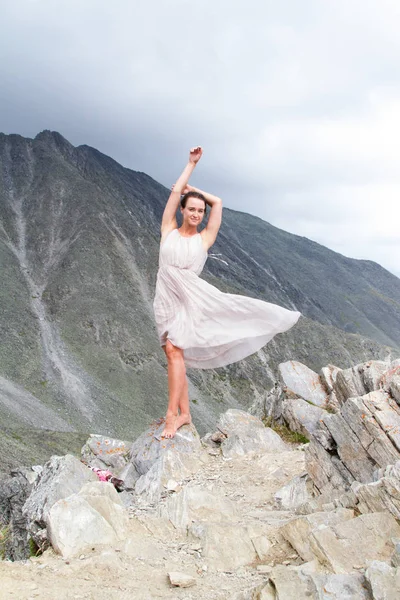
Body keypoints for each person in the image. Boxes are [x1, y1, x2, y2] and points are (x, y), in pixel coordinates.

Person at [153, 146, 301, 438]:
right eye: (191, 209)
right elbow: (173, 196)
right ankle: (186, 414)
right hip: (165, 298)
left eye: (199, 211)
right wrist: (189, 166)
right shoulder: (168, 228)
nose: (196, 213)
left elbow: (218, 202)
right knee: (173, 354)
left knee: (173, 351)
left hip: (192, 299)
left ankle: (172, 416)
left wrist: (195, 189)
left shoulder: (205, 238)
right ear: (182, 211)